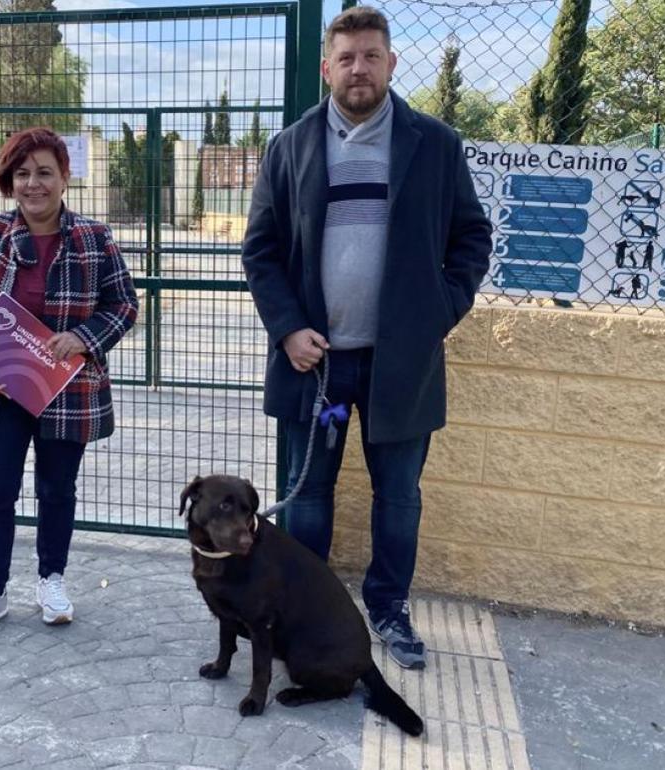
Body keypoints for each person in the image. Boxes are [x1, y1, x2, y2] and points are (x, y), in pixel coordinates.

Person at [241, 6, 491, 669]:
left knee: (399, 497)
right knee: (309, 499)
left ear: (391, 63)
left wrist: (433, 314)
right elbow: (261, 250)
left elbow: (471, 240)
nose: (359, 68)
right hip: (314, 363)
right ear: (327, 67)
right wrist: (288, 327)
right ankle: (305, 609)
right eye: (346, 57)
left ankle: (388, 609)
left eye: (371, 55)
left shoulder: (432, 144)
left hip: (400, 364)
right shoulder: (290, 146)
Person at [0, 128, 139, 642]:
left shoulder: (94, 238)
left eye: (44, 173)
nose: (33, 184)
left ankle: (51, 579)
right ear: (10, 181)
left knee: (57, 491)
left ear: (64, 177)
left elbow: (123, 305)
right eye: (22, 174)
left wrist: (82, 337)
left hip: (66, 393)